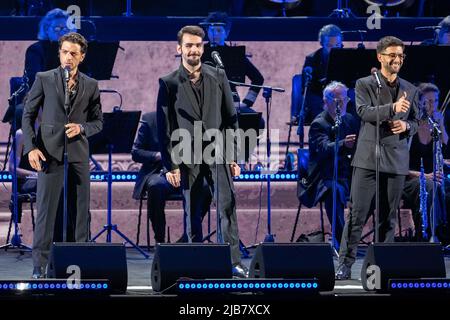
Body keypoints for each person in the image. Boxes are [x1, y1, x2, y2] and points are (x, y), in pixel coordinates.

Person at [157, 25, 247, 278]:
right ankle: (195, 261)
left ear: (203, 47)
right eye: (188, 45)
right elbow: (165, 128)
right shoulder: (168, 82)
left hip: (218, 153)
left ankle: (232, 262)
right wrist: (171, 165)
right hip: (187, 154)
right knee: (193, 210)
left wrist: (233, 156)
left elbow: (231, 119)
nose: (194, 49)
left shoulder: (218, 75)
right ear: (179, 49)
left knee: (227, 206)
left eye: (198, 45)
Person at [336, 36, 420, 280]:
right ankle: (345, 263)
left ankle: (381, 264)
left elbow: (416, 121)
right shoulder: (364, 85)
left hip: (395, 160)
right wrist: (392, 109)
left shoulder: (410, 89)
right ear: (380, 56)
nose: (397, 59)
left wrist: (406, 126)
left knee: (388, 218)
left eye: (401, 55)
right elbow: (364, 112)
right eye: (392, 55)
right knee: (357, 215)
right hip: (367, 159)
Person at [22, 32, 103, 279]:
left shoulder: (91, 84)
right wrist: (31, 147)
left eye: (73, 54)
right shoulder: (44, 78)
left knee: (80, 211)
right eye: (65, 52)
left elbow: (98, 121)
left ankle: (80, 263)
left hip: (78, 153)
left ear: (82, 56)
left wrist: (82, 128)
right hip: (49, 153)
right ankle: (40, 266)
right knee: (46, 211)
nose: (68, 57)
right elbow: (28, 114)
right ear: (59, 53)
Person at [132, 112, 212, 243]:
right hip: (160, 173)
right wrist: (158, 155)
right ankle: (160, 240)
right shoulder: (150, 119)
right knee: (155, 186)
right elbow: (136, 152)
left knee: (205, 187)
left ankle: (189, 235)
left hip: (188, 173)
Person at [301, 81, 359, 250]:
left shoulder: (349, 119)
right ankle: (341, 242)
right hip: (322, 177)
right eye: (338, 101)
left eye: (345, 100)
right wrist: (343, 144)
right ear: (327, 102)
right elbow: (324, 148)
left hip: (346, 174)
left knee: (370, 186)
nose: (343, 104)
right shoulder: (319, 123)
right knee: (334, 191)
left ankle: (358, 237)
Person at [402, 83, 450, 242]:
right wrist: (426, 176)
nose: (432, 105)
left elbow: (445, 149)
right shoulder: (408, 126)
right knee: (430, 187)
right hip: (409, 179)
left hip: (433, 177)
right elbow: (398, 166)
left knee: (440, 185)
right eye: (428, 101)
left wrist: (441, 125)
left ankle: (444, 234)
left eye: (435, 101)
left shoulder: (435, 125)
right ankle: (428, 235)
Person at [201, 12, 265, 127]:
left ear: (227, 33)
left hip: (230, 106)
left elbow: (258, 79)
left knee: (257, 122)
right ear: (207, 31)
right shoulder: (197, 53)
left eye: (219, 30)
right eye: (211, 30)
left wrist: (247, 103)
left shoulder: (235, 55)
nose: (215, 34)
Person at [298, 24, 343, 125]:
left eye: (337, 45)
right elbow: (307, 90)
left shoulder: (346, 57)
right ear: (322, 43)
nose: (333, 50)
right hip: (320, 101)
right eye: (329, 46)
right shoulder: (312, 59)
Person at [25, 8, 76, 89]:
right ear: (46, 29)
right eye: (57, 29)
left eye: (66, 29)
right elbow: (35, 79)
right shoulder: (35, 50)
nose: (62, 32)